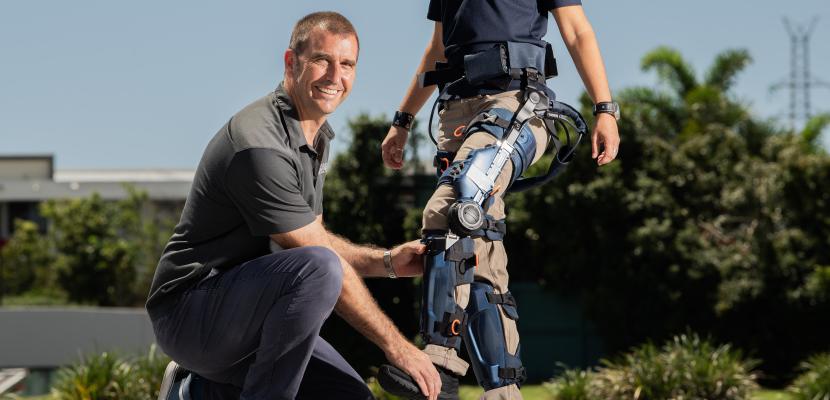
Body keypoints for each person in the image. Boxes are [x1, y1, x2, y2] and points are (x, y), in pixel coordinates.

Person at [146, 11, 446, 400]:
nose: (335, 76)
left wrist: (386, 261)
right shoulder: (259, 144)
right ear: (292, 62)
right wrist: (398, 346)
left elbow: (313, 238)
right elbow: (317, 259)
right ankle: (205, 381)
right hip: (190, 313)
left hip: (249, 313)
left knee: (350, 396)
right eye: (322, 60)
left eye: (347, 64)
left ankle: (198, 391)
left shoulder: (314, 138)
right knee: (318, 267)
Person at [378, 1, 620, 399]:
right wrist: (402, 120)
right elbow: (437, 47)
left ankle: (439, 364)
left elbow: (577, 30)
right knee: (478, 250)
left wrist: (605, 109)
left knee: (455, 202)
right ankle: (503, 391)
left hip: (515, 102)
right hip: (454, 113)